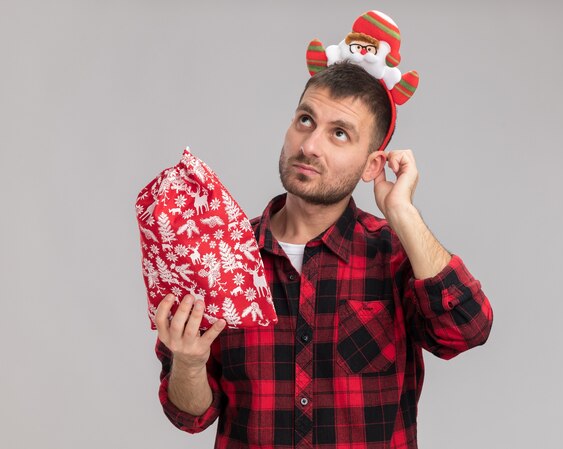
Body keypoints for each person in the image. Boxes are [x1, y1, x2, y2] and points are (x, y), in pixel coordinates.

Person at [154, 62, 493, 448]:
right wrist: (189, 363)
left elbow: (468, 330)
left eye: (339, 133)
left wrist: (402, 213)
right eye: (305, 120)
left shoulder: (396, 255)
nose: (310, 145)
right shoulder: (216, 255)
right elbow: (189, 415)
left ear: (372, 166)